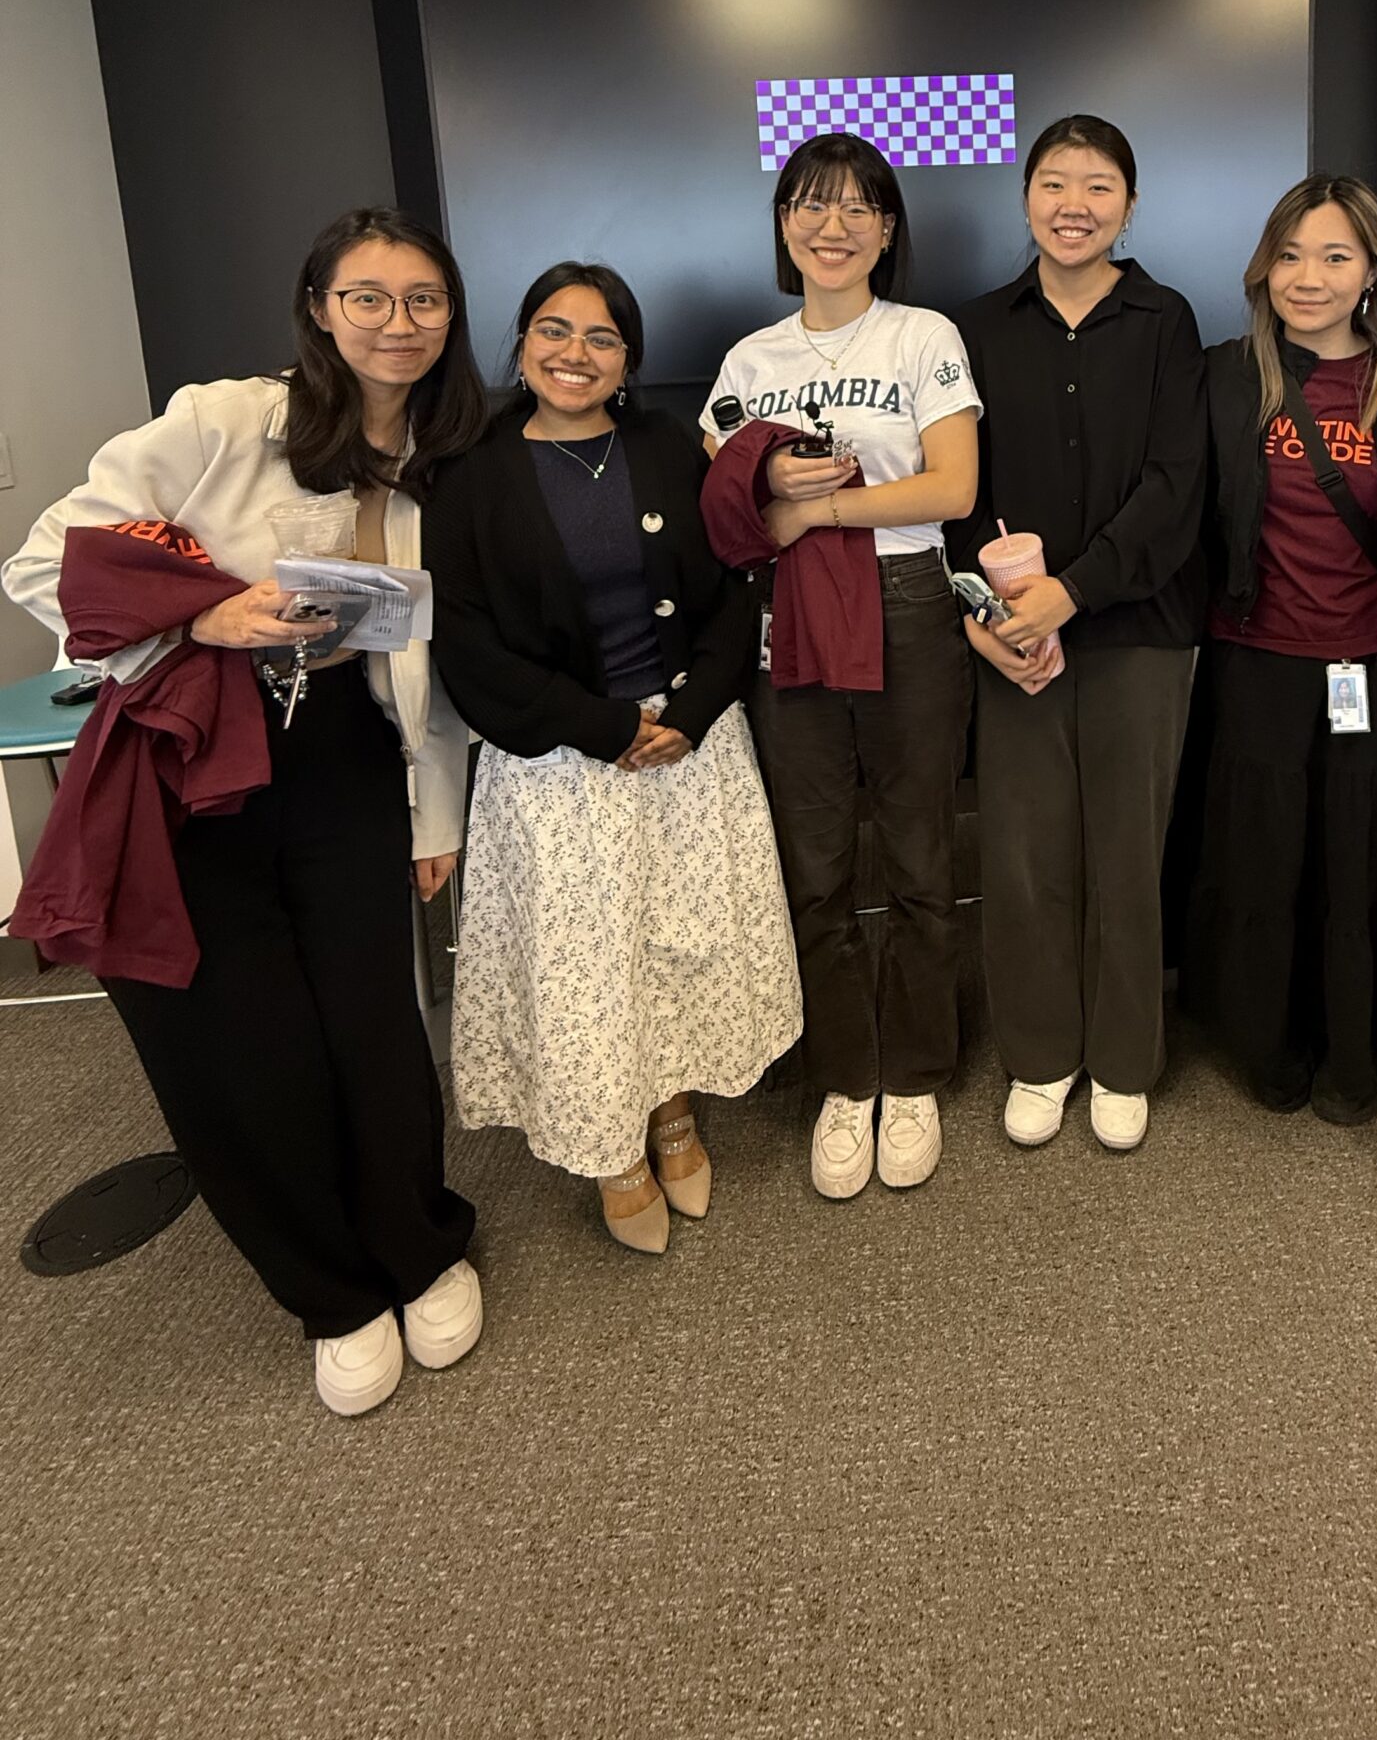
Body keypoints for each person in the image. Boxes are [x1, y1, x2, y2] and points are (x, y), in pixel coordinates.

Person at [2, 208, 488, 1417]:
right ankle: (330, 1290)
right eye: (367, 296)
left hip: (346, 756)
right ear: (319, 306)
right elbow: (45, 559)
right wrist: (204, 614)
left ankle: (420, 1245)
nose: (397, 322)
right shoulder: (225, 420)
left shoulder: (444, 455)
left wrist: (435, 814)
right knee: (243, 1040)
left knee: (373, 1023)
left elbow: (429, 665)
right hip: (196, 760)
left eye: (423, 299)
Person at [422, 262, 800, 1253]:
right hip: (560, 761)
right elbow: (465, 640)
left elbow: (736, 584)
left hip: (687, 748)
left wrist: (694, 708)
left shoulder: (667, 445)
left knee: (678, 944)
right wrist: (602, 727)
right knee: (588, 967)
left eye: (601, 337)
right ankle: (611, 1148)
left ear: (628, 360)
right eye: (554, 329)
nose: (575, 354)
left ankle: (671, 1109)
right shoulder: (469, 472)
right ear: (521, 343)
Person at [702, 134, 980, 1201]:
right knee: (813, 858)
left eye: (859, 207)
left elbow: (952, 489)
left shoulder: (923, 335)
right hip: (793, 611)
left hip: (906, 599)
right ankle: (843, 1075)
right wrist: (775, 495)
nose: (834, 226)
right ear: (784, 225)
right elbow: (727, 501)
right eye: (812, 206)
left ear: (888, 229)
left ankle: (914, 1073)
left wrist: (815, 508)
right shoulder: (748, 361)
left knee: (918, 847)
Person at [1181, 174, 1377, 1121]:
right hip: (1257, 660)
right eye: (1289, 255)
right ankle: (1269, 1040)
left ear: (1373, 274)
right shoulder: (1225, 377)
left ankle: (1358, 1046)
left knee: (1363, 861)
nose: (1307, 277)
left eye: (1333, 256)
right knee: (1266, 860)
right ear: (1262, 268)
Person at [954, 115, 1206, 1153]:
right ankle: (1041, 1050)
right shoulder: (975, 326)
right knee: (1021, 850)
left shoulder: (1165, 319)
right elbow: (956, 491)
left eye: (1099, 185)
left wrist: (1075, 589)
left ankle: (1125, 1057)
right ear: (1024, 199)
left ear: (1129, 206)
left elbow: (1176, 485)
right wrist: (988, 614)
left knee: (1126, 850)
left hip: (1139, 624)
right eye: (1054, 182)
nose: (1074, 204)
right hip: (1013, 633)